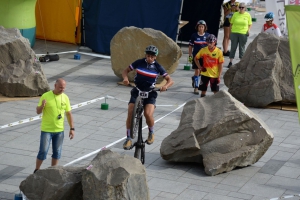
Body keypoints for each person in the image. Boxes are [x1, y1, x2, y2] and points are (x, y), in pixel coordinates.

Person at [122, 45, 174, 150]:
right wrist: (125, 78)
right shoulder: (139, 62)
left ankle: (151, 132)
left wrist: (165, 86)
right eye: (148, 55)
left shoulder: (158, 67)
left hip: (150, 92)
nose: (149, 58)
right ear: (145, 55)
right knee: (130, 111)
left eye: (152, 56)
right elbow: (125, 71)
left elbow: (170, 80)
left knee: (147, 114)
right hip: (137, 90)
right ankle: (128, 138)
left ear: (155, 57)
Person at [34, 78, 74, 173]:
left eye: (63, 88)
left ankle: (52, 171)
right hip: (47, 130)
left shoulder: (65, 97)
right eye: (60, 87)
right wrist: (42, 106)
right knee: (43, 151)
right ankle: (37, 170)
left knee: (57, 152)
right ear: (55, 86)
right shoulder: (46, 96)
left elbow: (69, 114)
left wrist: (72, 128)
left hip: (59, 130)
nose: (62, 90)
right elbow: (38, 111)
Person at [227, 2, 252, 68]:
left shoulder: (248, 15)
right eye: (240, 7)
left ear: (245, 8)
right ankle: (230, 62)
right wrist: (230, 33)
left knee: (242, 48)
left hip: (243, 33)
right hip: (234, 32)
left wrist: (248, 30)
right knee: (233, 47)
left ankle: (241, 62)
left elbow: (250, 24)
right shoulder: (235, 14)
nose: (241, 9)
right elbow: (231, 24)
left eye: (242, 7)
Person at [188, 20, 210, 95]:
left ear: (205, 28)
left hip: (204, 57)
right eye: (199, 27)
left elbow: (210, 46)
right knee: (197, 71)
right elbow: (190, 46)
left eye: (202, 27)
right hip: (196, 57)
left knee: (202, 71)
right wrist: (190, 55)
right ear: (197, 27)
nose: (201, 28)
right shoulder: (194, 35)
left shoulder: (207, 36)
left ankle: (194, 78)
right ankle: (196, 88)